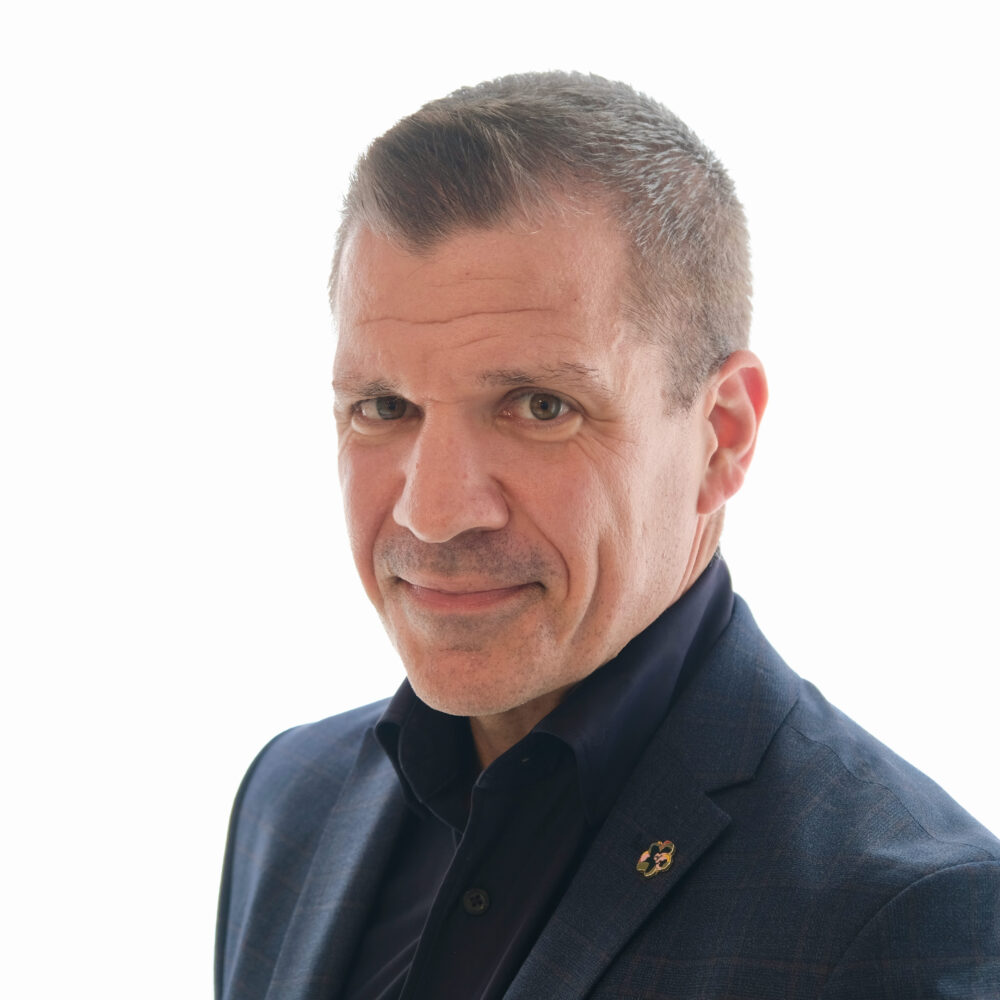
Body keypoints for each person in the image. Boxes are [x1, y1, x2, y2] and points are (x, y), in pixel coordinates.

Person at [215, 72, 1000, 999]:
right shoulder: (288, 799)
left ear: (722, 437)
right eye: (383, 407)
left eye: (540, 406)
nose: (433, 510)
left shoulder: (908, 917)